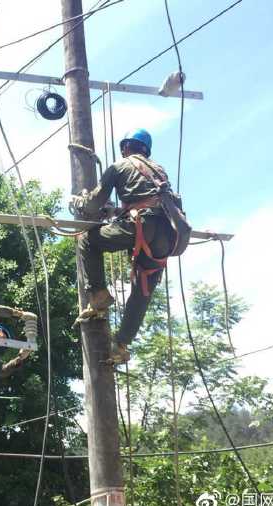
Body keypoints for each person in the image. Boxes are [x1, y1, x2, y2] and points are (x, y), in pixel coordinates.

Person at [72, 128, 190, 363]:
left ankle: (98, 296)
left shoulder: (119, 166)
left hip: (141, 225)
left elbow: (93, 204)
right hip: (167, 233)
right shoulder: (159, 171)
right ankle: (121, 344)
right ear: (146, 150)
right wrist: (117, 212)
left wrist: (79, 203)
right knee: (143, 286)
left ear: (126, 147)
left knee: (88, 240)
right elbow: (149, 200)